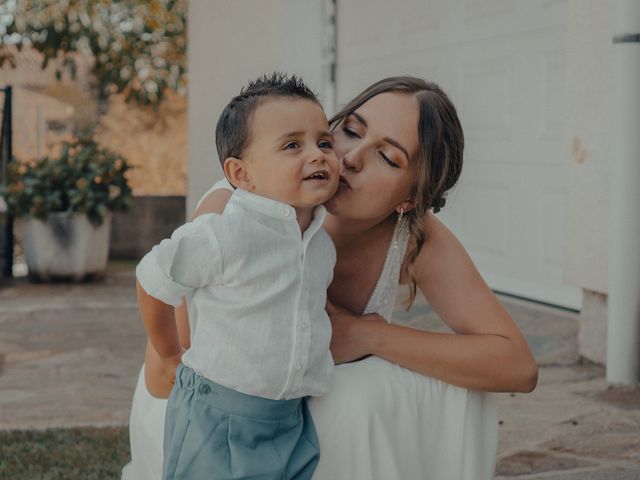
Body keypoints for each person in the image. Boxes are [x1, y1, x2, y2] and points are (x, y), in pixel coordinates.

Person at [123, 76, 538, 480]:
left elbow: (515, 366)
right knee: (348, 394)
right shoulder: (240, 208)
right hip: (208, 418)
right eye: (350, 131)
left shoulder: (413, 237)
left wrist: (364, 335)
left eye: (387, 157)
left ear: (410, 200)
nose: (349, 157)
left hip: (294, 427)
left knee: (432, 387)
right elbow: (171, 365)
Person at [134, 73, 339, 480]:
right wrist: (169, 350)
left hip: (289, 416)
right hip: (219, 415)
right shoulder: (226, 231)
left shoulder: (320, 243)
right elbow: (152, 277)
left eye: (324, 142)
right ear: (242, 174)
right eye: (292, 145)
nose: (317, 155)